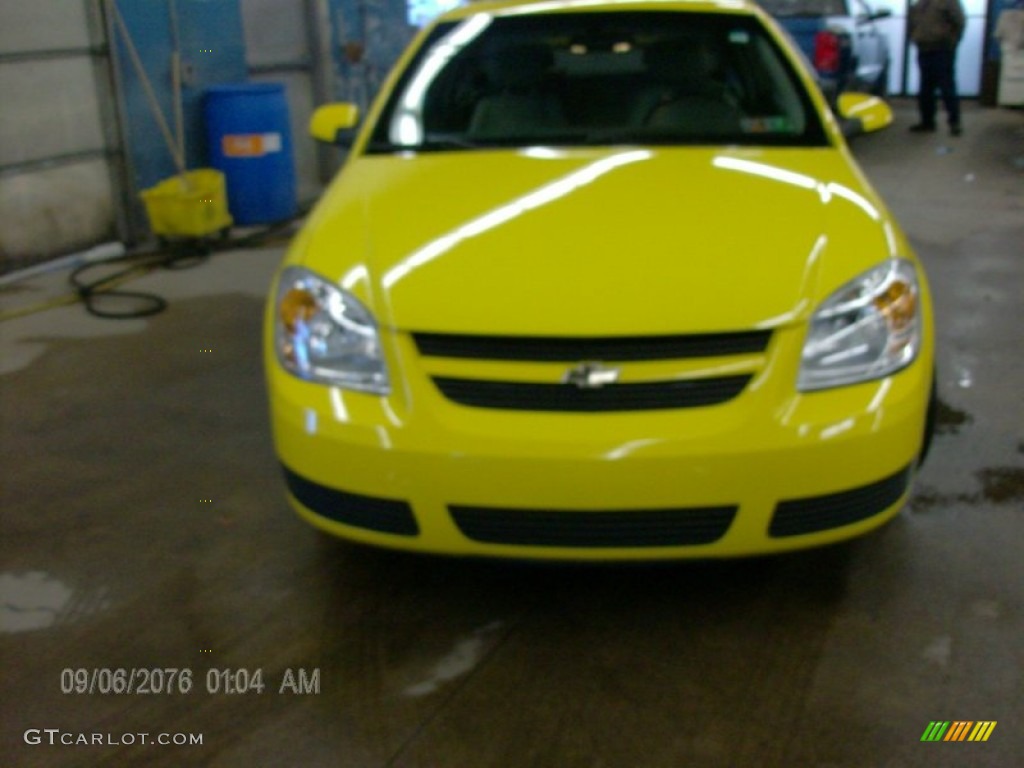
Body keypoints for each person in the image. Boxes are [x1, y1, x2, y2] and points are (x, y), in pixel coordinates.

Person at [908, 0, 967, 135]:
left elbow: (959, 21)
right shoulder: (919, 4)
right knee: (925, 88)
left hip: (942, 49)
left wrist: (952, 41)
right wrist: (913, 37)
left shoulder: (948, 2)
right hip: (923, 48)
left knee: (947, 87)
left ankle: (954, 123)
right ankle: (927, 122)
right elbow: (912, 23)